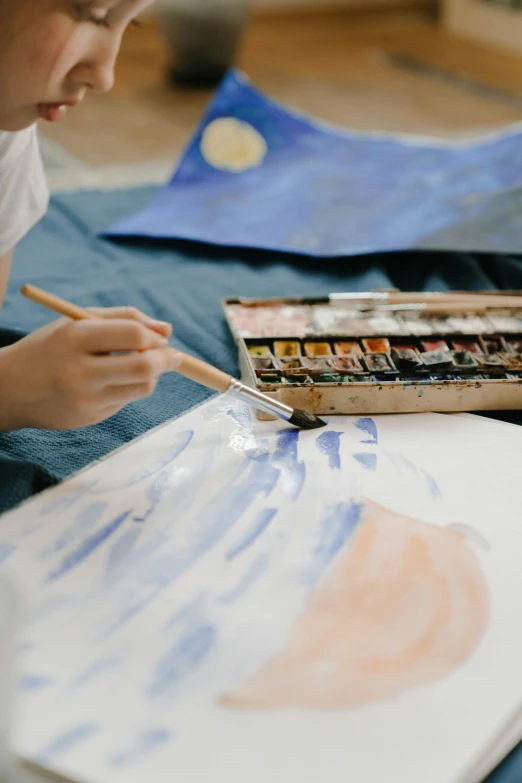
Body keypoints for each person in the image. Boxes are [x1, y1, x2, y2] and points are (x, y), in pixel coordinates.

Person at [0, 0, 181, 433]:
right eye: (93, 16)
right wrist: (9, 391)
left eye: (129, 22)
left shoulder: (9, 133)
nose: (104, 76)